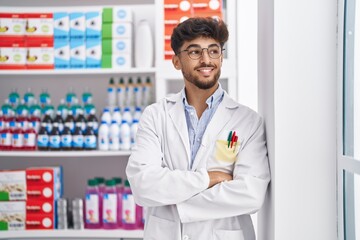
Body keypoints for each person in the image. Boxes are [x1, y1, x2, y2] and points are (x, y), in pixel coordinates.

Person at [126, 17, 270, 240]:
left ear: (221, 57)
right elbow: (143, 185)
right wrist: (208, 179)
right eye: (194, 52)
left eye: (213, 51)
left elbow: (250, 194)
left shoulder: (248, 121)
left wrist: (174, 199)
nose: (206, 60)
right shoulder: (156, 116)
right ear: (176, 61)